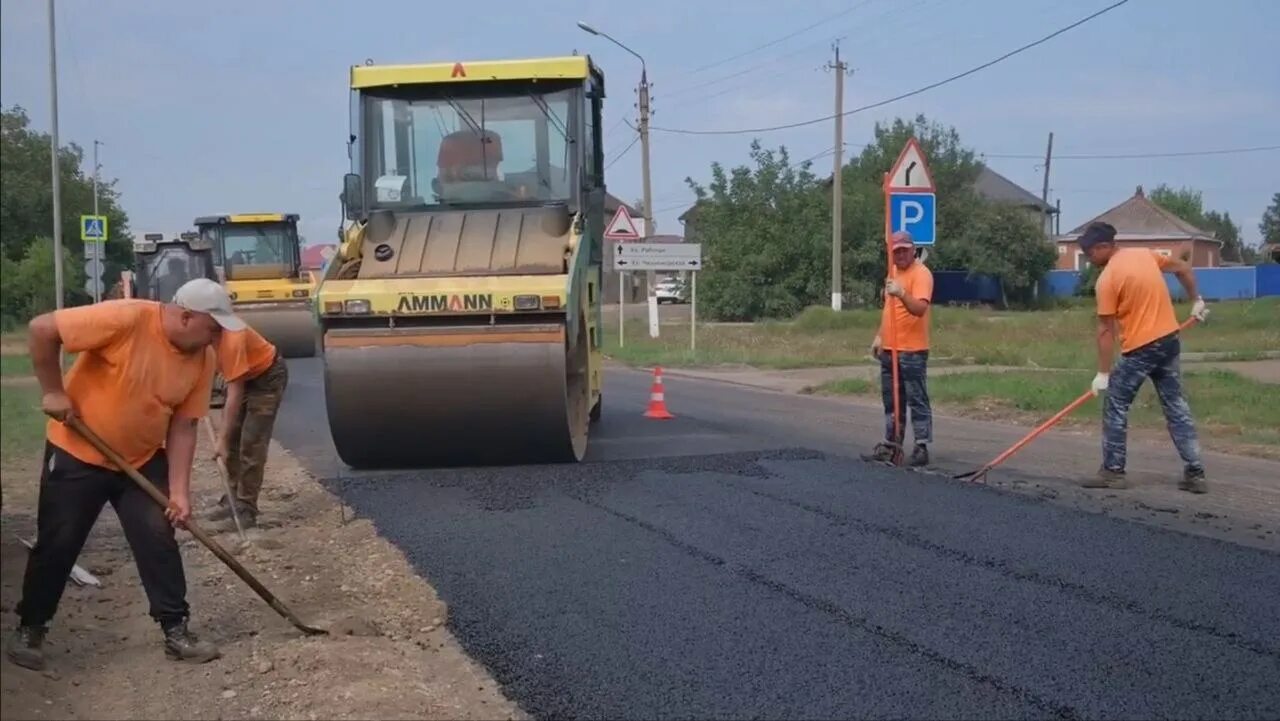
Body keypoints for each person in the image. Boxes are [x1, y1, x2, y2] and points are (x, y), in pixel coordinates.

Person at [6, 278, 244, 671]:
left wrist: (180, 493)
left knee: (158, 538)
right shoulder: (127, 318)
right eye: (213, 328)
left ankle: (175, 629)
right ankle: (32, 627)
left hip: (141, 458)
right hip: (78, 451)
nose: (216, 338)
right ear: (186, 316)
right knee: (59, 542)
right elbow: (42, 329)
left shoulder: (203, 360)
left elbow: (183, 426)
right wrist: (53, 390)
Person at [1077, 221, 1210, 492]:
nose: (1090, 260)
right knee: (1175, 405)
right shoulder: (1144, 255)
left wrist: (1103, 374)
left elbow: (1105, 330)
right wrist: (1197, 300)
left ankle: (1113, 471)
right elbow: (1183, 268)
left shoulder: (1108, 278)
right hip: (1170, 341)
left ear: (1103, 247)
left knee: (1115, 402)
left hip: (1142, 348)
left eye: (1090, 254)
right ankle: (1195, 473)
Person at [203, 324, 288, 531]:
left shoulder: (232, 340)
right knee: (233, 443)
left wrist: (221, 439)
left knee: (251, 444)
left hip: (267, 376)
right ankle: (232, 498)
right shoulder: (198, 336)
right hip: (246, 375)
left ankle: (246, 508)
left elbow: (233, 395)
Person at [864, 231, 935, 467]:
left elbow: (919, 309)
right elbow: (889, 311)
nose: (901, 255)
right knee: (892, 401)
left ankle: (921, 446)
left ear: (913, 249)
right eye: (896, 251)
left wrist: (902, 293)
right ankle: (892, 444)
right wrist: (879, 336)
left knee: (917, 399)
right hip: (889, 348)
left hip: (912, 350)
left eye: (904, 250)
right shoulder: (893, 272)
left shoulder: (921, 274)